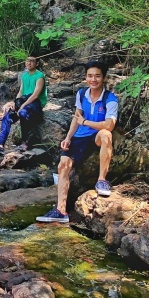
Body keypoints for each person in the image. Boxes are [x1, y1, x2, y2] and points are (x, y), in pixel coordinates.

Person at [36, 60, 118, 223]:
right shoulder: (82, 94)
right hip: (79, 137)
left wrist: (86, 122)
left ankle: (101, 181)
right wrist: (67, 138)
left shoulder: (110, 98)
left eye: (97, 76)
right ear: (85, 77)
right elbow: (76, 117)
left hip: (96, 136)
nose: (93, 79)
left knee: (106, 134)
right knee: (63, 165)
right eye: (89, 76)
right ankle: (60, 211)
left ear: (104, 78)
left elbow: (109, 125)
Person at [0, 55, 47, 154]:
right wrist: (15, 103)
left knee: (23, 113)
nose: (29, 63)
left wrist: (22, 106)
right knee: (7, 116)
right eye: (27, 61)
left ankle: (25, 142)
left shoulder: (40, 76)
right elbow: (21, 91)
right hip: (25, 100)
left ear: (37, 64)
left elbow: (35, 95)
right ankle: (0, 145)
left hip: (35, 103)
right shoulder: (24, 75)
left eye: (32, 61)